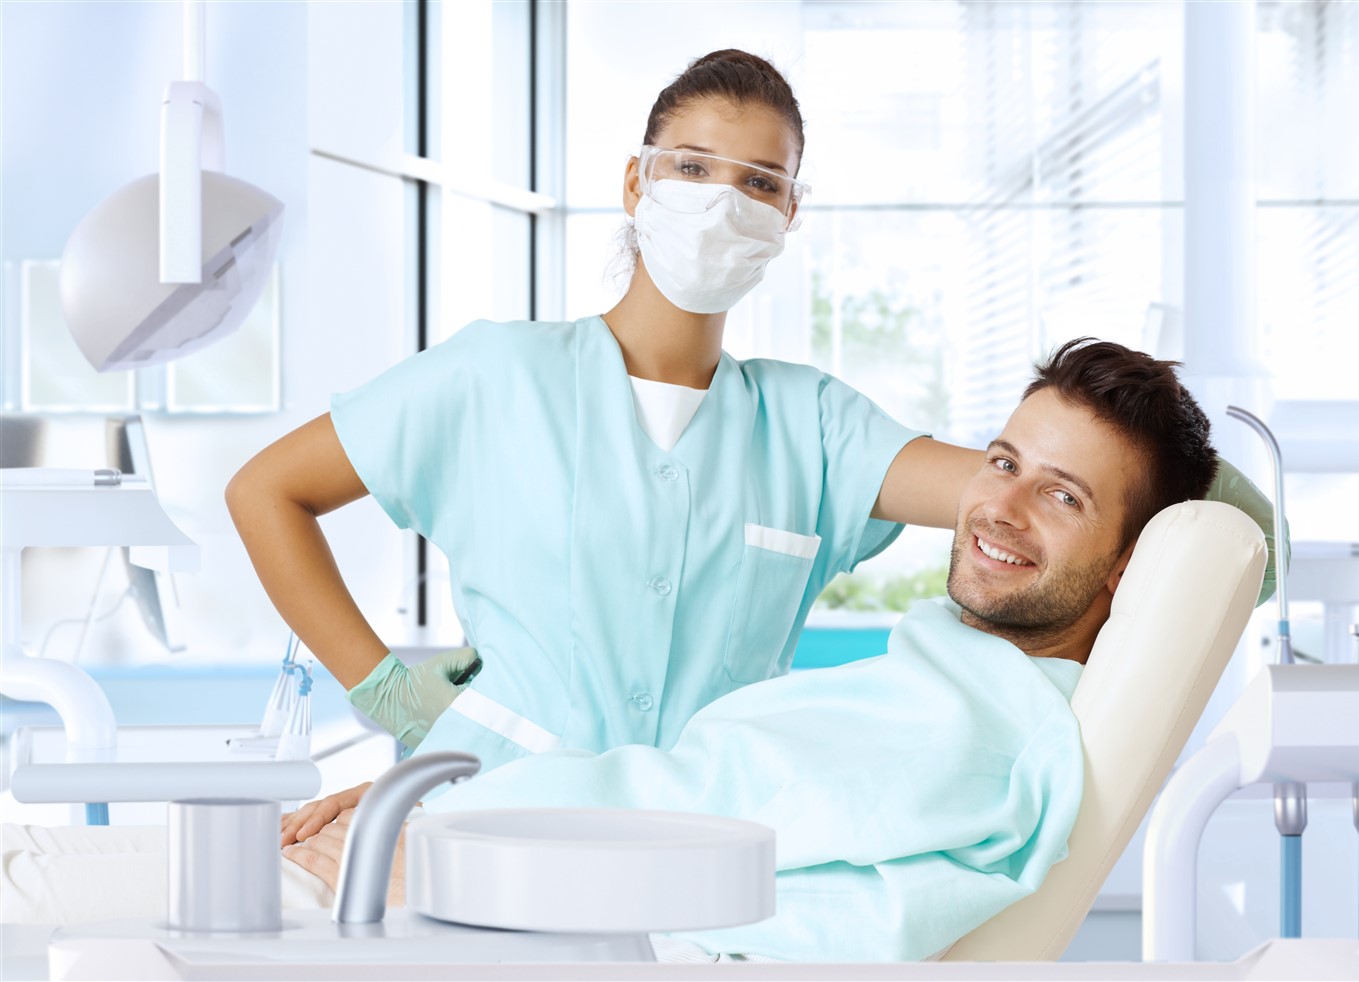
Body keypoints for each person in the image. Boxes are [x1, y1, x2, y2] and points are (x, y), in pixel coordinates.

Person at [225, 50, 1280, 794]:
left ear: (788, 215)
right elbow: (265, 490)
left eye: (758, 181)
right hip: (490, 810)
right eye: (690, 168)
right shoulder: (490, 378)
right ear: (636, 181)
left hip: (717, 855)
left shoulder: (809, 425)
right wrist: (385, 692)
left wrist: (1200, 490)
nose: (720, 200)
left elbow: (1018, 492)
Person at [263, 338, 1218, 962]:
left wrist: (453, 847)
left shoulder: (975, 737)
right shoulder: (930, 686)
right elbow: (698, 800)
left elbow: (743, 876)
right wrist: (438, 796)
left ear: (1128, 565)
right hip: (470, 833)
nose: (999, 505)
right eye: (1000, 463)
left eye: (1063, 495)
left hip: (480, 882)